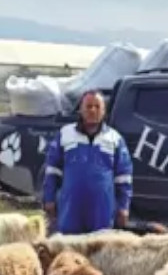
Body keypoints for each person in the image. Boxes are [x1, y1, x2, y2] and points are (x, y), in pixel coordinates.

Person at [42, 90, 133, 235]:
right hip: (70, 209)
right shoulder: (65, 134)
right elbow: (52, 170)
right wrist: (49, 199)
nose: (92, 110)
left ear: (104, 111)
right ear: (80, 109)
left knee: (99, 250)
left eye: (97, 106)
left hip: (102, 210)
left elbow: (124, 178)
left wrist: (123, 207)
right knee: (68, 250)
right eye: (88, 106)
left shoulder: (115, 139)